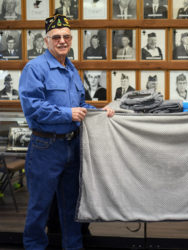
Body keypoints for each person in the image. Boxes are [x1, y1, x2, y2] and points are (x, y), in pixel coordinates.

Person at [18, 14, 114, 250]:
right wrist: (67, 114)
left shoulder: (71, 69)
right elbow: (33, 107)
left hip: (72, 146)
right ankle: (34, 247)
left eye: (66, 37)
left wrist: (101, 111)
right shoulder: (35, 68)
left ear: (71, 40)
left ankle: (74, 246)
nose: (62, 41)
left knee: (72, 206)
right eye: (57, 37)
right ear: (46, 41)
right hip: (46, 147)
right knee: (40, 206)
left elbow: (79, 106)